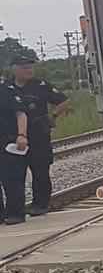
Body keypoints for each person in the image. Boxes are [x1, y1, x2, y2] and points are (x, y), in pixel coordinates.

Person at [3, 55, 68, 217]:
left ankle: (40, 204)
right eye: (24, 67)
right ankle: (16, 208)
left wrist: (53, 116)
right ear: (14, 69)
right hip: (14, 136)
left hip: (38, 133)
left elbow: (63, 100)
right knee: (16, 175)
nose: (29, 70)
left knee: (40, 170)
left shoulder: (40, 85)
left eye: (30, 67)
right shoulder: (7, 87)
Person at [0, 77, 28, 225]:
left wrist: (22, 135)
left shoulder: (6, 90)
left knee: (12, 179)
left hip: (7, 140)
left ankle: (16, 212)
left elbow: (21, 114)